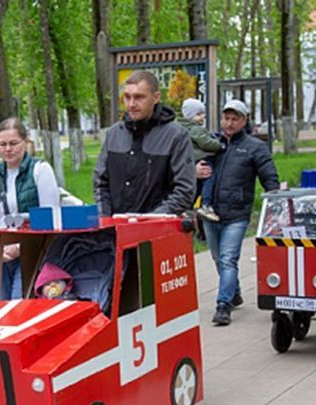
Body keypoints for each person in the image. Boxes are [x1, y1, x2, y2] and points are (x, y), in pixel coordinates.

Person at [200, 99, 280, 326]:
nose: (229, 123)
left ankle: (223, 306)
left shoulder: (255, 147)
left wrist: (274, 201)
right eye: (226, 118)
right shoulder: (211, 144)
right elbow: (191, 167)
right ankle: (234, 292)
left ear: (244, 121)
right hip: (210, 213)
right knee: (217, 258)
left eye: (235, 119)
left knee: (227, 259)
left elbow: (269, 176)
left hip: (237, 213)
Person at [0, 118, 59, 300]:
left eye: (13, 143)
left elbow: (51, 217)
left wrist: (22, 247)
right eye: (2, 144)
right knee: (2, 312)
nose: (8, 149)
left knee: (19, 309)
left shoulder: (40, 170)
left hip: (30, 258)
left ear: (25, 142)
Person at [94, 70, 195, 216]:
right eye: (127, 97)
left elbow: (184, 190)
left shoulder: (176, 136)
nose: (131, 104)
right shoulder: (114, 134)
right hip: (114, 230)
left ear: (156, 98)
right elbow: (100, 183)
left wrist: (147, 221)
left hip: (158, 231)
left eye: (139, 97)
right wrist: (104, 218)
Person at [177, 97, 222, 221]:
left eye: (203, 114)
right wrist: (219, 145)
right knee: (209, 179)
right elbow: (206, 143)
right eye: (199, 114)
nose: (202, 117)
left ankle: (187, 207)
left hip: (192, 161)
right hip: (203, 159)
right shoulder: (196, 129)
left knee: (195, 187)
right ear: (190, 116)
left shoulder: (181, 129)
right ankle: (206, 205)